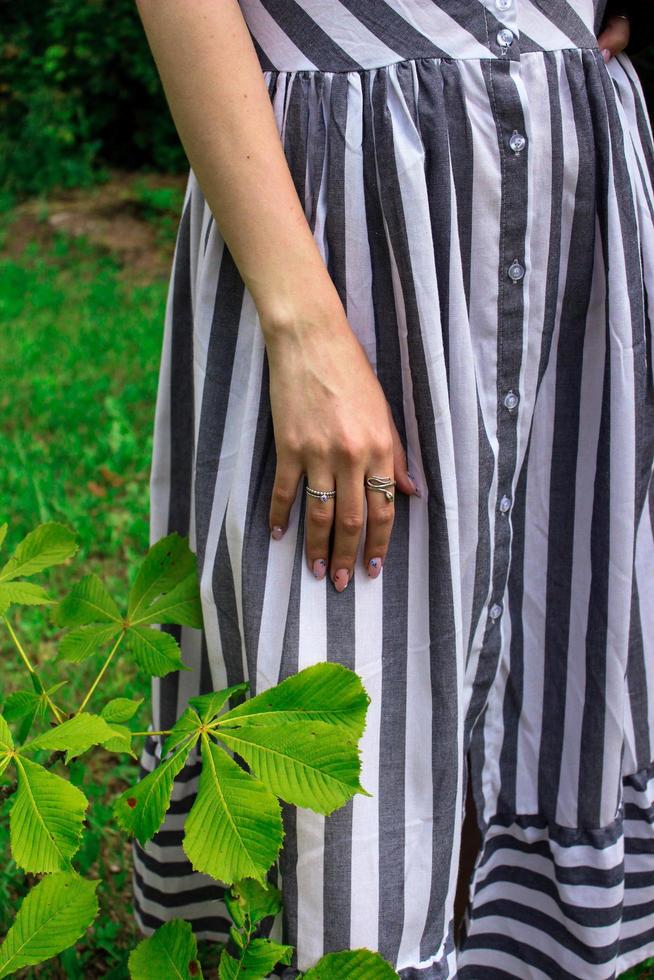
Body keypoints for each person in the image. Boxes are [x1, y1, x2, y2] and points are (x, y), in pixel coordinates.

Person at [132, 1, 654, 976]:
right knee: (353, 658)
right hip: (351, 195)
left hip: (572, 148)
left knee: (554, 593)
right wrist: (302, 325)